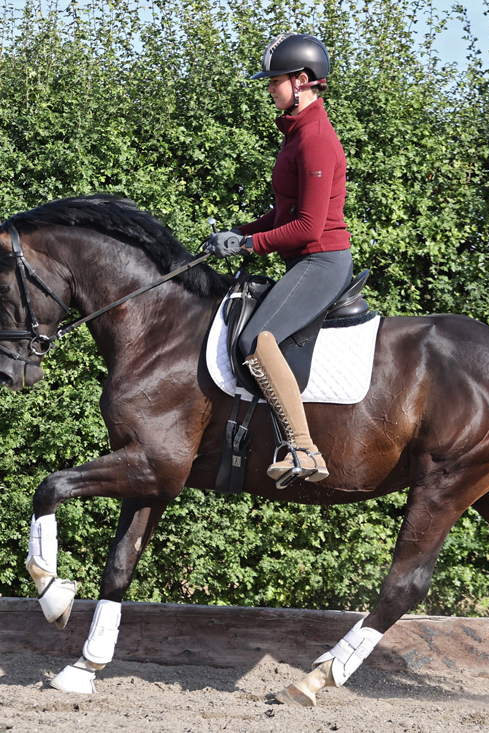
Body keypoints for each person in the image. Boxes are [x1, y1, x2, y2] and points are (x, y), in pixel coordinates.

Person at [204, 33, 353, 487]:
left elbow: (308, 227)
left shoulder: (316, 140)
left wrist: (249, 246)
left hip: (322, 260)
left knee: (257, 339)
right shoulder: (297, 135)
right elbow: (285, 212)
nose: (270, 89)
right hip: (304, 259)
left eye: (275, 81)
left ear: (301, 81)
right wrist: (240, 233)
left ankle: (304, 449)